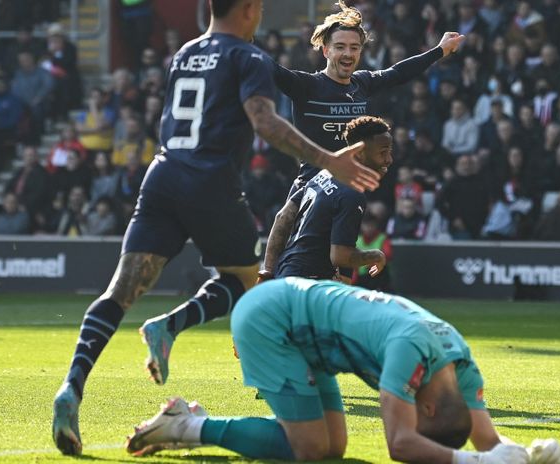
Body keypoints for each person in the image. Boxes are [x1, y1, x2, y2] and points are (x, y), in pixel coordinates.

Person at [51, 0, 380, 456]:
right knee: (248, 283)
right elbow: (265, 122)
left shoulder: (185, 52)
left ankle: (71, 386)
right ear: (248, 9)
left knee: (119, 290)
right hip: (210, 182)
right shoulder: (249, 58)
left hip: (161, 174)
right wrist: (328, 160)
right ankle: (171, 326)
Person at [125, 277, 560, 464]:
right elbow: (400, 444)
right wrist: (470, 461)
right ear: (427, 407)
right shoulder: (410, 351)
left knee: (334, 447)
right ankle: (186, 425)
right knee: (311, 447)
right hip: (271, 318)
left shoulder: (461, 365)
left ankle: (189, 418)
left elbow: (489, 443)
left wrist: (528, 455)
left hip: (307, 330)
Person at [273, 0, 463, 195]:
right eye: (340, 47)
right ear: (326, 50)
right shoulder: (307, 85)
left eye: (354, 47)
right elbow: (269, 69)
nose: (348, 53)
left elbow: (398, 72)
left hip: (349, 189)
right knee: (282, 221)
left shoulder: (363, 82)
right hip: (310, 189)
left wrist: (440, 50)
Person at [260, 116, 393, 284]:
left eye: (389, 152)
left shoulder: (324, 174)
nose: (389, 159)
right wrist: (375, 255)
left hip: (285, 275)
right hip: (309, 284)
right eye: (382, 153)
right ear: (360, 153)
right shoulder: (352, 194)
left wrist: (267, 272)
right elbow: (340, 256)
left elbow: (283, 217)